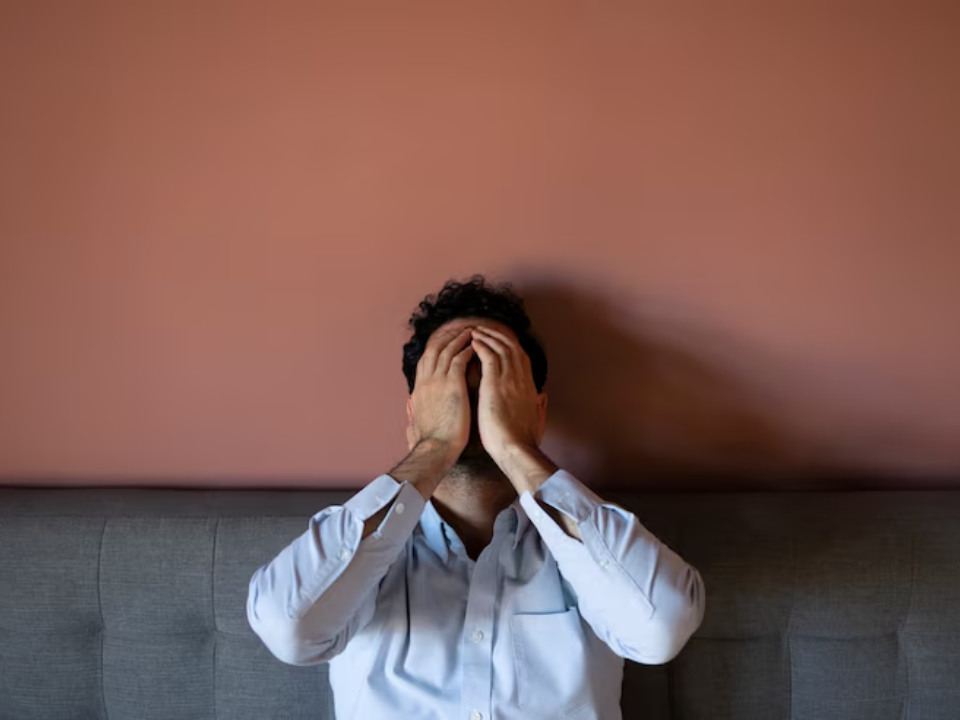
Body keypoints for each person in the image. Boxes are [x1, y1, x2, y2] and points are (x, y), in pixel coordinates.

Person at [247, 275, 705, 720]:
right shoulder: (364, 554)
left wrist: (515, 447)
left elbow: (661, 627)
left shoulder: (584, 551)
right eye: (451, 391)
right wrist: (434, 446)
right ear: (414, 413)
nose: (470, 410)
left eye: (492, 389)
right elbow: (288, 627)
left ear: (537, 412)